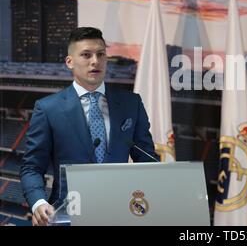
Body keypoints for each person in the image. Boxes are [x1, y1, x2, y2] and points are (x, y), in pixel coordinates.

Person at [20, 27, 159, 226]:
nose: (95, 61)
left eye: (101, 54)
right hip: (66, 216)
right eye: (86, 55)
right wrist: (39, 203)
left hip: (121, 215)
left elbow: (147, 159)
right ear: (69, 62)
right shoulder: (48, 109)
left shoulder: (131, 104)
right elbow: (32, 167)